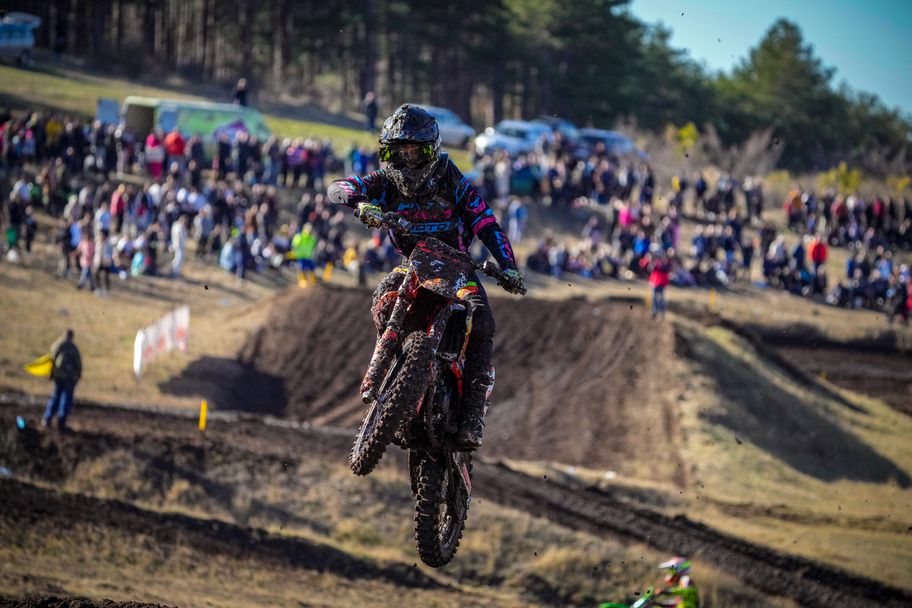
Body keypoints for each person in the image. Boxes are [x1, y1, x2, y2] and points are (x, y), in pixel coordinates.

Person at [327, 104, 524, 449]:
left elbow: (485, 222)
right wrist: (360, 203)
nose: (407, 159)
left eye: (414, 151)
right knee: (384, 299)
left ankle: (472, 417)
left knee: (482, 320)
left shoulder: (450, 178)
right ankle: (400, 367)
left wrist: (508, 266)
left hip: (457, 267)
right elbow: (338, 186)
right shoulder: (385, 181)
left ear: (430, 150)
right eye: (399, 151)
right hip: (413, 265)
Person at [42, 329, 82, 433]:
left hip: (58, 377)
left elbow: (50, 360)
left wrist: (51, 374)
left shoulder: (57, 346)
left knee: (55, 397)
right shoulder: (73, 348)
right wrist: (77, 377)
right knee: (65, 400)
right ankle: (61, 422)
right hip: (69, 379)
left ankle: (47, 420)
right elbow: (78, 365)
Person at [290, 223, 318, 287]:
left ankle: (313, 281)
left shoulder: (312, 238)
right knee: (302, 268)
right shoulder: (299, 236)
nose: (309, 230)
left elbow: (314, 247)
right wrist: (294, 252)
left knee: (312, 268)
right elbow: (294, 245)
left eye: (310, 229)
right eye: (308, 229)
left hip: (308, 256)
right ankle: (302, 281)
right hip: (301, 256)